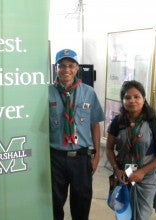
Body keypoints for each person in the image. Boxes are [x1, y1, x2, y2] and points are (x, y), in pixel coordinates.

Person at [49, 49, 105, 220]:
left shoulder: (89, 92)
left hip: (81, 159)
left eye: (71, 65)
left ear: (77, 68)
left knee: (81, 204)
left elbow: (95, 124)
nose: (66, 70)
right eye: (62, 66)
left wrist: (96, 155)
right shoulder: (46, 92)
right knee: (54, 205)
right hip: (55, 158)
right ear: (56, 68)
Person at [106, 80, 156, 220]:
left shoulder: (155, 123)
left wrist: (142, 171)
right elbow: (109, 148)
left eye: (137, 96)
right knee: (123, 214)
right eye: (127, 97)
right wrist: (117, 169)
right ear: (123, 100)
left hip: (146, 178)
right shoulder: (118, 122)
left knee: (141, 216)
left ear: (144, 98)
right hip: (124, 177)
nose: (132, 100)